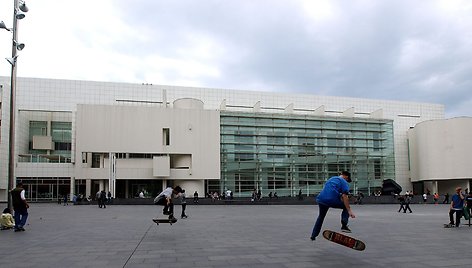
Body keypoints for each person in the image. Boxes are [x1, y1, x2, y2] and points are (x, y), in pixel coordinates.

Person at [310, 171, 355, 241]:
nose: (347, 181)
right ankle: (344, 225)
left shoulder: (331, 179)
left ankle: (313, 235)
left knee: (321, 217)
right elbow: (344, 196)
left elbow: (330, 190)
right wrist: (349, 210)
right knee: (346, 207)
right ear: (346, 176)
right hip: (331, 199)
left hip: (321, 199)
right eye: (347, 180)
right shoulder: (343, 181)